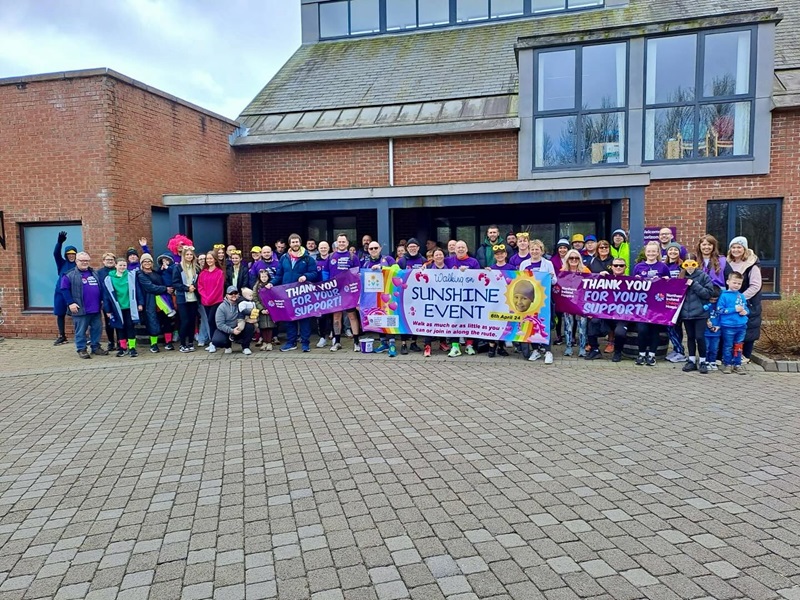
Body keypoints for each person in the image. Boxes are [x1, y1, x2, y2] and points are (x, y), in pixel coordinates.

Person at [273, 233, 319, 352]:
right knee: (289, 319)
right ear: (289, 244)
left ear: (300, 242)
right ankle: (291, 342)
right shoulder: (284, 258)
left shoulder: (307, 258)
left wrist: (305, 276)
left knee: (304, 319)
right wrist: (271, 284)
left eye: (297, 242)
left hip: (302, 293)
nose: (295, 244)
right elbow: (279, 274)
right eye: (293, 242)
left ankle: (305, 344)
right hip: (287, 293)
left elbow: (315, 273)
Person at [60, 252, 108, 359]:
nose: (85, 263)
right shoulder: (69, 275)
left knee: (97, 328)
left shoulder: (94, 273)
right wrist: (70, 303)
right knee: (81, 330)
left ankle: (95, 347)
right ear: (77, 261)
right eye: (82, 261)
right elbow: (64, 290)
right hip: (80, 308)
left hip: (95, 308)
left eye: (87, 260)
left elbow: (101, 288)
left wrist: (102, 300)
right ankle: (81, 349)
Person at [724, 236, 762, 364]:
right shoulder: (727, 264)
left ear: (744, 249)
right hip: (730, 303)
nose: (736, 250)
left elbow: (755, 286)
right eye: (733, 247)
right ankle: (732, 356)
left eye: (739, 247)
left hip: (748, 303)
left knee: (747, 331)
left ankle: (745, 356)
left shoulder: (752, 265)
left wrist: (740, 298)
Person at [632, 242, 670, 366]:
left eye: (654, 251)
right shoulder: (638, 267)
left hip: (657, 305)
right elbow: (632, 286)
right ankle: (641, 354)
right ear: (645, 252)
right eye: (649, 251)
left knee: (654, 331)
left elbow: (669, 286)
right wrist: (635, 280)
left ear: (658, 252)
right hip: (642, 305)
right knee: (642, 330)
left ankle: (652, 356)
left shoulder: (663, 267)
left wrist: (666, 281)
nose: (651, 253)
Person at [585, 258, 630, 361]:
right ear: (612, 267)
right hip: (606, 315)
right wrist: (599, 277)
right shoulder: (604, 279)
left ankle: (618, 353)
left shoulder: (631, 281)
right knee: (592, 321)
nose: (618, 267)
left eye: (621, 265)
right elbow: (593, 293)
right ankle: (595, 350)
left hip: (622, 316)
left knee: (619, 332)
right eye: (616, 265)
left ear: (625, 267)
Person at [520, 240, 557, 365]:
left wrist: (551, 277)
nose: (534, 252)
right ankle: (535, 349)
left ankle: (548, 351)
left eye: (537, 249)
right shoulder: (524, 264)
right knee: (532, 323)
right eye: (532, 249)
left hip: (544, 299)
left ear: (542, 251)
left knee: (544, 323)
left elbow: (554, 281)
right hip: (530, 300)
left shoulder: (548, 263)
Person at [677, 254, 715, 374]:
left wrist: (693, 284)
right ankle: (692, 360)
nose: (689, 267)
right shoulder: (680, 277)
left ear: (696, 263)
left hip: (700, 313)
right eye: (686, 264)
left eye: (692, 264)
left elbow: (708, 293)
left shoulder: (703, 276)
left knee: (700, 337)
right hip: (686, 314)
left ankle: (703, 361)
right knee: (690, 337)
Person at [325, 233, 362, 352]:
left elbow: (358, 274)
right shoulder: (330, 257)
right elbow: (326, 274)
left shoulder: (353, 257)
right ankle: (337, 341)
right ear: (337, 243)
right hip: (335, 292)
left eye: (343, 242)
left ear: (347, 243)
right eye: (339, 241)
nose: (341, 244)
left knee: (352, 316)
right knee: (336, 317)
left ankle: (356, 341)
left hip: (349, 292)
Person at [102, 257, 143, 357]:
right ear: (115, 265)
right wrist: (107, 310)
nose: (122, 267)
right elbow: (106, 296)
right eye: (120, 265)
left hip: (129, 307)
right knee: (120, 328)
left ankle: (132, 348)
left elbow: (137, 290)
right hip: (117, 308)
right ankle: (123, 348)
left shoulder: (131, 276)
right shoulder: (108, 279)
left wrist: (140, 303)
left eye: (124, 265)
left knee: (130, 327)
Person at [363, 241, 398, 357]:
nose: (373, 250)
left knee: (388, 318)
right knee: (377, 317)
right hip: (373, 295)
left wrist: (382, 268)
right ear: (368, 250)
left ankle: (392, 343)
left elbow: (397, 270)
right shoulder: (366, 264)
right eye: (371, 248)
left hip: (388, 294)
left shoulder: (388, 259)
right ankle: (383, 343)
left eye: (375, 248)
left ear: (380, 248)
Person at [137, 253, 176, 353]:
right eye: (145, 261)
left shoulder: (156, 273)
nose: (147, 263)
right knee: (152, 323)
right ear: (141, 263)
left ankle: (168, 342)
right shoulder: (140, 275)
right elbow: (150, 287)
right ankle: (153, 344)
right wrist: (165, 289)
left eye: (149, 261)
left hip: (163, 302)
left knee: (166, 321)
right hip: (150, 302)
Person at [718, 271, 749, 375]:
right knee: (728, 346)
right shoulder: (724, 296)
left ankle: (737, 364)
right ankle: (727, 364)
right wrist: (734, 309)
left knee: (739, 345)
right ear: (728, 282)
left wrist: (745, 312)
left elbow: (746, 308)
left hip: (741, 325)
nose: (737, 285)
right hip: (728, 326)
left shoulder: (741, 296)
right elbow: (720, 310)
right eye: (734, 282)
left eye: (739, 283)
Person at [560, 249, 589, 358]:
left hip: (581, 302)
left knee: (582, 326)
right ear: (567, 259)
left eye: (576, 258)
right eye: (571, 258)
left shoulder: (585, 270)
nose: (574, 260)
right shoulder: (562, 271)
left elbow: (592, 284)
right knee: (568, 325)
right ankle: (568, 347)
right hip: (567, 302)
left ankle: (582, 348)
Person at [421, 248, 450, 357]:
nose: (438, 256)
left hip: (444, 300)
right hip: (430, 300)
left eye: (440, 254)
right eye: (436, 255)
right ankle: (427, 346)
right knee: (430, 321)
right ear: (433, 257)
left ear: (444, 256)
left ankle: (442, 343)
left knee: (442, 321)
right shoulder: (427, 268)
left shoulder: (449, 269)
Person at [485, 245, 512, 358]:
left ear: (505, 254)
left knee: (503, 322)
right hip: (494, 301)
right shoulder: (491, 269)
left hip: (506, 301)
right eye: (497, 254)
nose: (499, 255)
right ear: (494, 256)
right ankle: (492, 345)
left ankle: (501, 347)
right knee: (493, 322)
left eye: (502, 253)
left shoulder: (512, 268)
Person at [212, 286, 255, 355]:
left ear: (238, 294)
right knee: (217, 340)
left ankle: (245, 347)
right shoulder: (221, 307)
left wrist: (250, 319)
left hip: (240, 327)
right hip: (227, 329)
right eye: (231, 293)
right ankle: (227, 346)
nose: (233, 295)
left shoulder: (243, 303)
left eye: (235, 293)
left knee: (250, 326)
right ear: (226, 295)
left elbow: (250, 312)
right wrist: (232, 331)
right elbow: (220, 324)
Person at [173, 246, 200, 353]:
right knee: (185, 321)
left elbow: (199, 281)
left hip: (193, 298)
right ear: (183, 256)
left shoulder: (196, 268)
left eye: (190, 255)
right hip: (182, 298)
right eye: (187, 254)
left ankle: (190, 343)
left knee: (192, 321)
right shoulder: (178, 268)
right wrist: (186, 288)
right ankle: (183, 344)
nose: (189, 256)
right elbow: (175, 283)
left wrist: (194, 287)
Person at [53, 231, 78, 346]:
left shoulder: (79, 265)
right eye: (69, 254)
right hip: (60, 292)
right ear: (66, 255)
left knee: (78, 314)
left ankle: (81, 336)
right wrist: (59, 243)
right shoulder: (61, 263)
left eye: (73, 254)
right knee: (60, 313)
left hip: (73, 293)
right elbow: (56, 254)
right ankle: (62, 336)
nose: (71, 256)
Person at [198, 251, 225, 353]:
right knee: (209, 322)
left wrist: (210, 298)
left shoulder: (219, 272)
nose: (209, 260)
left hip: (216, 301)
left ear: (215, 259)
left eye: (211, 258)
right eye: (207, 259)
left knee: (212, 321)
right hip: (205, 301)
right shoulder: (203, 273)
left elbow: (219, 288)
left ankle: (214, 342)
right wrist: (205, 297)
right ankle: (212, 342)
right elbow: (200, 287)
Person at [663, 242, 686, 363]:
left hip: (678, 300)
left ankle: (680, 351)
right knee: (670, 326)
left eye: (675, 250)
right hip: (666, 300)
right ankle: (677, 349)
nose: (673, 252)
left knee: (675, 326)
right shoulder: (664, 265)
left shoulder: (683, 266)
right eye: (670, 250)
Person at [97, 252, 118, 351]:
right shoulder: (99, 273)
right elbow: (98, 288)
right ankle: (111, 342)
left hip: (118, 300)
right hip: (106, 301)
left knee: (119, 321)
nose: (110, 261)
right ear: (103, 261)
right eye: (107, 260)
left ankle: (120, 341)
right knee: (109, 322)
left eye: (112, 260)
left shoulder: (118, 270)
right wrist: (101, 299)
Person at [252, 269, 276, 351]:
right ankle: (264, 342)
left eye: (265, 276)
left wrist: (270, 308)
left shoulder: (271, 286)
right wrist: (261, 309)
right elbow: (255, 298)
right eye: (262, 277)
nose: (264, 278)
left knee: (269, 327)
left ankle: (269, 342)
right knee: (263, 327)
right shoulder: (256, 286)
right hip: (261, 310)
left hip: (270, 310)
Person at [315, 241, 332, 348]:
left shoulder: (332, 260)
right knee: (321, 316)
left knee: (333, 315)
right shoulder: (314, 261)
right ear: (318, 248)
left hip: (332, 291)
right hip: (318, 293)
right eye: (321, 247)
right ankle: (322, 337)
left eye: (325, 247)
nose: (323, 249)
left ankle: (335, 336)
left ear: (329, 248)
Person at [704, 288, 722, 371]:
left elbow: (722, 318)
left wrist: (719, 326)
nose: (713, 301)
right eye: (711, 299)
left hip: (716, 332)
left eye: (715, 300)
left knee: (714, 348)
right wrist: (706, 321)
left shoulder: (719, 306)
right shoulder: (706, 305)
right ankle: (706, 361)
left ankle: (712, 361)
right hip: (706, 332)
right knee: (706, 347)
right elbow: (701, 313)